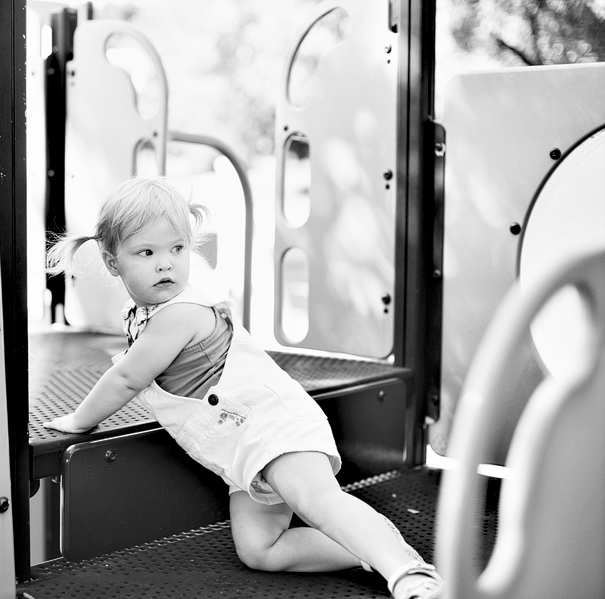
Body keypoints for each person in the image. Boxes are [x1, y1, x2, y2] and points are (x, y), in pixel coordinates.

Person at [44, 177, 443, 599]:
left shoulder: (180, 314)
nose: (166, 264)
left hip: (276, 430)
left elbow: (127, 378)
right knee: (261, 550)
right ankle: (373, 545)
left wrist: (79, 420)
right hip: (244, 455)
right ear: (112, 262)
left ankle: (408, 573)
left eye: (177, 249)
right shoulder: (144, 315)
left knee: (318, 503)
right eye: (146, 252)